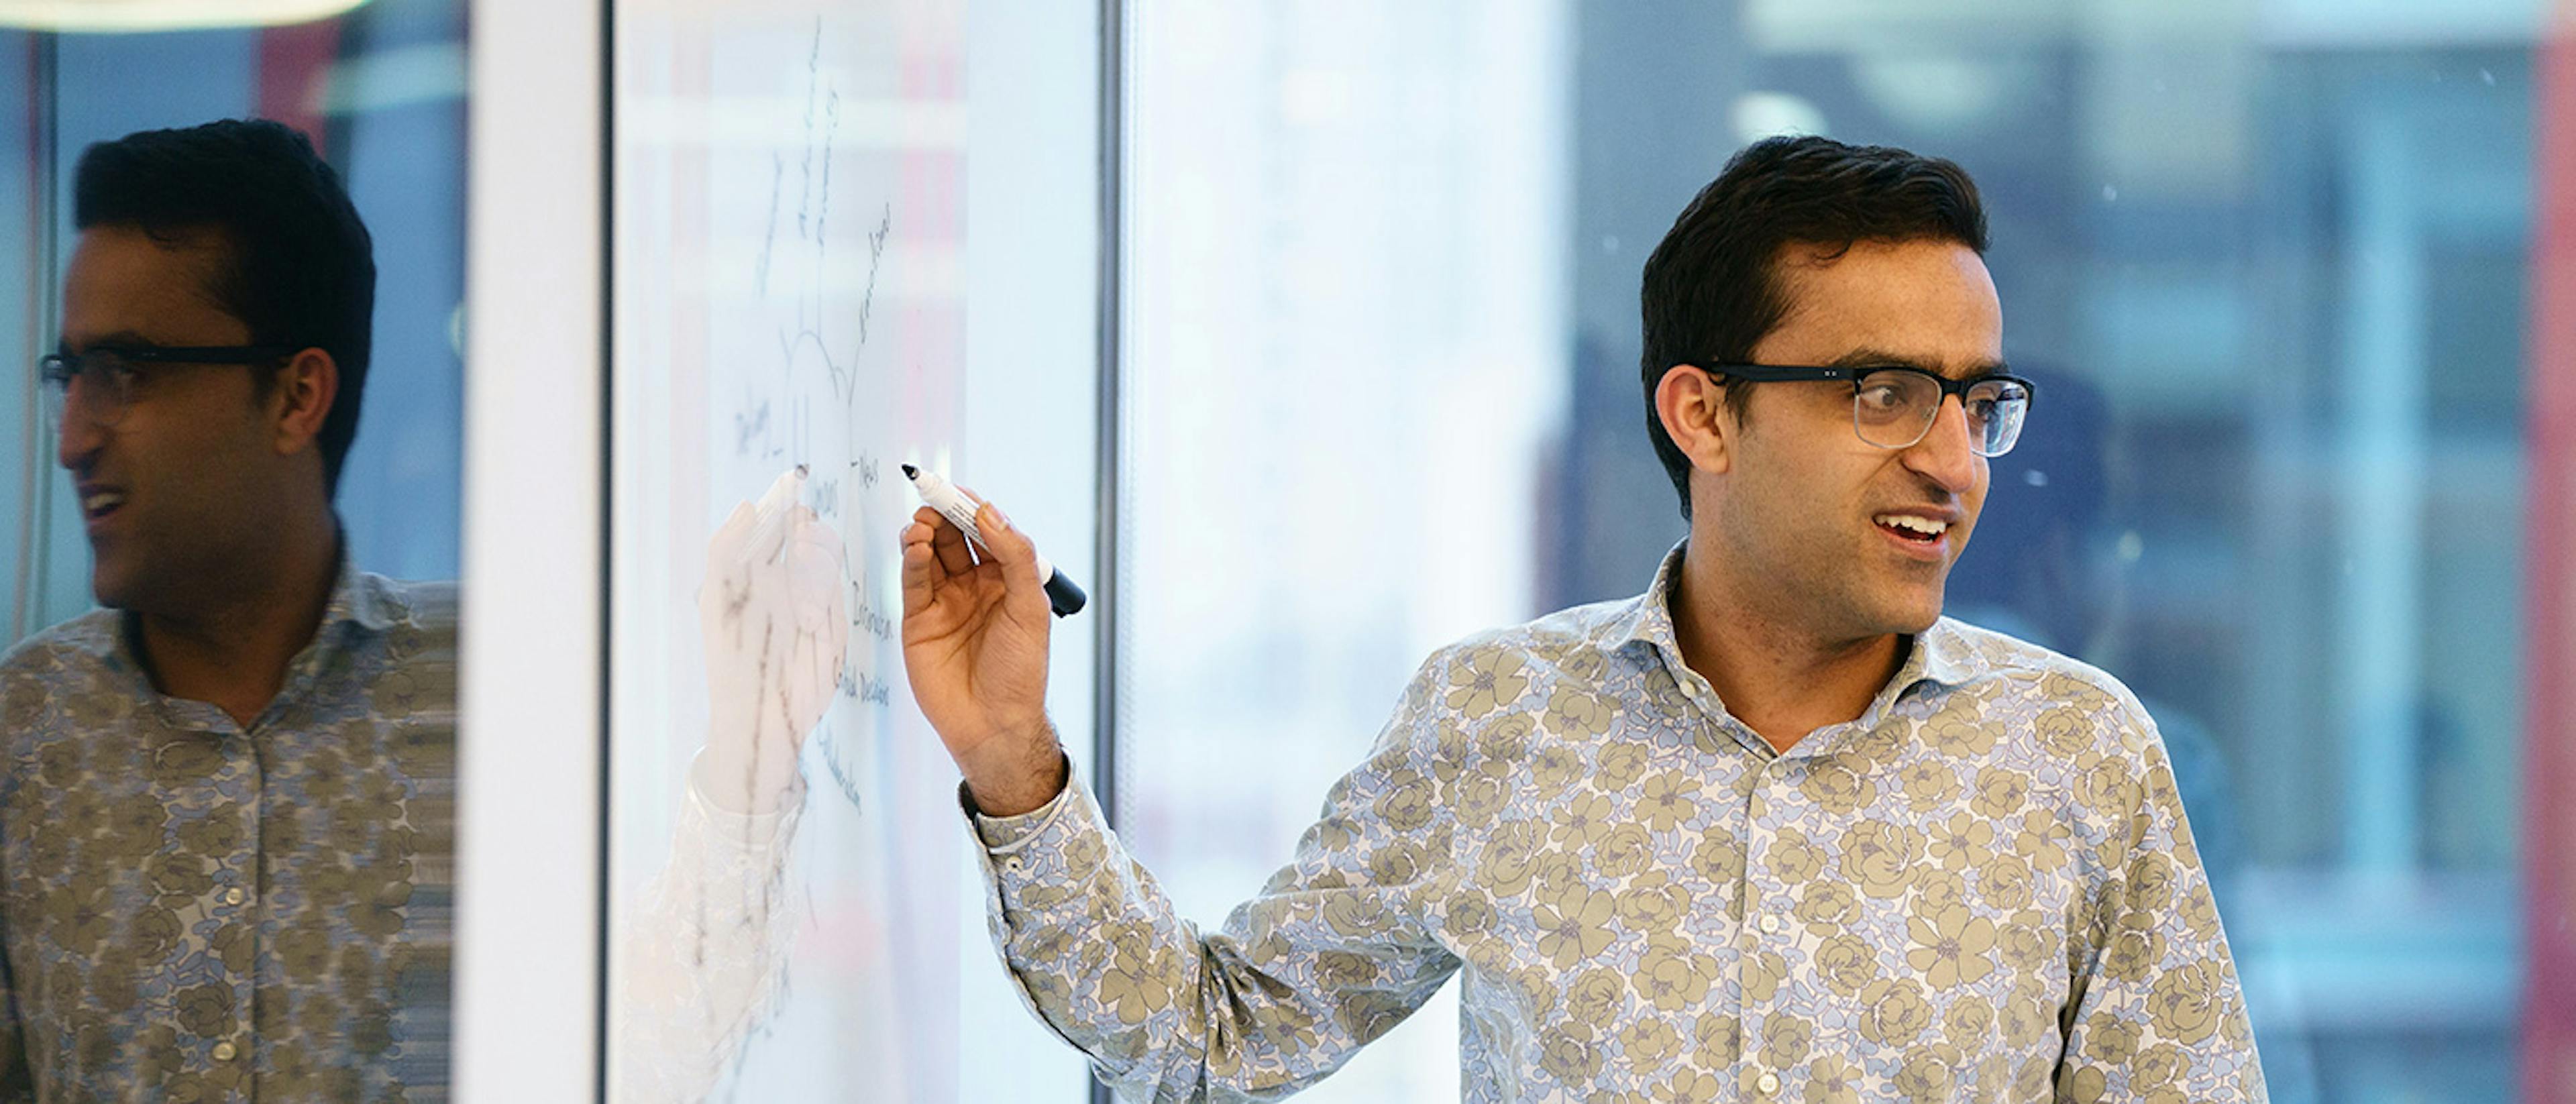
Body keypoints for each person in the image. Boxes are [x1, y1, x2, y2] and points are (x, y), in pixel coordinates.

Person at [902, 135, 2267, 1101]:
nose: (1955, 463)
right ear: (1704, 413)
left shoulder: (2076, 753)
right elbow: (1208, 1041)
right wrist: (1014, 757)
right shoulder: (1499, 719)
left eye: (1976, 403)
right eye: (1886, 394)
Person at [0, 119, 449, 1099]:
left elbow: (658, 1031)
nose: (73, 439)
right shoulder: (24, 734)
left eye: (125, 373)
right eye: (69, 377)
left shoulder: (484, 700)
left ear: (295, 397)